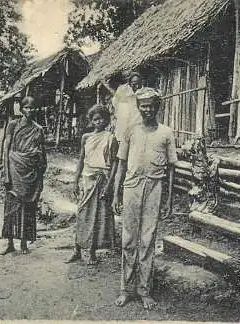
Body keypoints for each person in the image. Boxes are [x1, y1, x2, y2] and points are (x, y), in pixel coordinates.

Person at [112, 87, 177, 310]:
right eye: (143, 105)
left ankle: (144, 290)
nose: (147, 109)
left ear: (158, 106)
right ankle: (125, 289)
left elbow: (171, 169)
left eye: (151, 105)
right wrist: (115, 193)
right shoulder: (130, 131)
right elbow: (121, 163)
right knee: (128, 239)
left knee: (148, 240)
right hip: (131, 187)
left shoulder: (166, 133)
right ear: (138, 107)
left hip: (155, 188)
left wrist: (168, 199)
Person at [66, 104, 118, 265]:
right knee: (83, 213)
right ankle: (77, 249)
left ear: (107, 120)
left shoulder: (111, 138)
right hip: (87, 178)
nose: (99, 122)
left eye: (102, 119)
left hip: (103, 178)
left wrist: (110, 183)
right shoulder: (86, 137)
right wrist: (75, 181)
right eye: (95, 119)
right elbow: (81, 159)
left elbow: (115, 162)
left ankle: (92, 251)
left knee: (97, 215)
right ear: (91, 121)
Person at [1, 96, 47, 255]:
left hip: (30, 173)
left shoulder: (38, 129)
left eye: (32, 107)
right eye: (26, 107)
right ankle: (9, 243)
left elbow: (43, 156)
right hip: (14, 170)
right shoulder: (13, 125)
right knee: (11, 206)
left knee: (28, 207)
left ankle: (24, 242)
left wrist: (40, 176)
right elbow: (6, 151)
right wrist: (6, 174)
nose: (30, 110)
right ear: (21, 109)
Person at [111, 71, 143, 143]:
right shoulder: (122, 90)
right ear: (129, 83)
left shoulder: (143, 92)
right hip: (124, 121)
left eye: (138, 84)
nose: (137, 86)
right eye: (134, 84)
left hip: (138, 122)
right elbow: (115, 102)